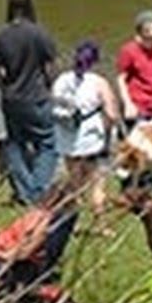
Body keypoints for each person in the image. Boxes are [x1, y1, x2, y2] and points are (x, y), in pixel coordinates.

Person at [0, 0, 59, 206]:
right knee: (48, 144)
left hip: (11, 100)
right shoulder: (40, 34)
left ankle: (24, 191)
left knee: (15, 144)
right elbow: (52, 66)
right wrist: (50, 87)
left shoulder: (0, 35)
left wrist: (3, 87)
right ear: (30, 7)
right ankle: (37, 190)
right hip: (37, 97)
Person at [50, 38, 120, 215]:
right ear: (95, 61)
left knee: (74, 182)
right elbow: (111, 114)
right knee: (97, 184)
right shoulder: (98, 82)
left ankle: (68, 221)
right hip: (91, 141)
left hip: (66, 140)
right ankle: (100, 225)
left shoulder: (61, 80)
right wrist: (106, 132)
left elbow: (52, 105)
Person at [116, 9, 152, 124]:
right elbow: (121, 80)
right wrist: (128, 104)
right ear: (140, 32)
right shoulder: (128, 51)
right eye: (147, 30)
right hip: (137, 106)